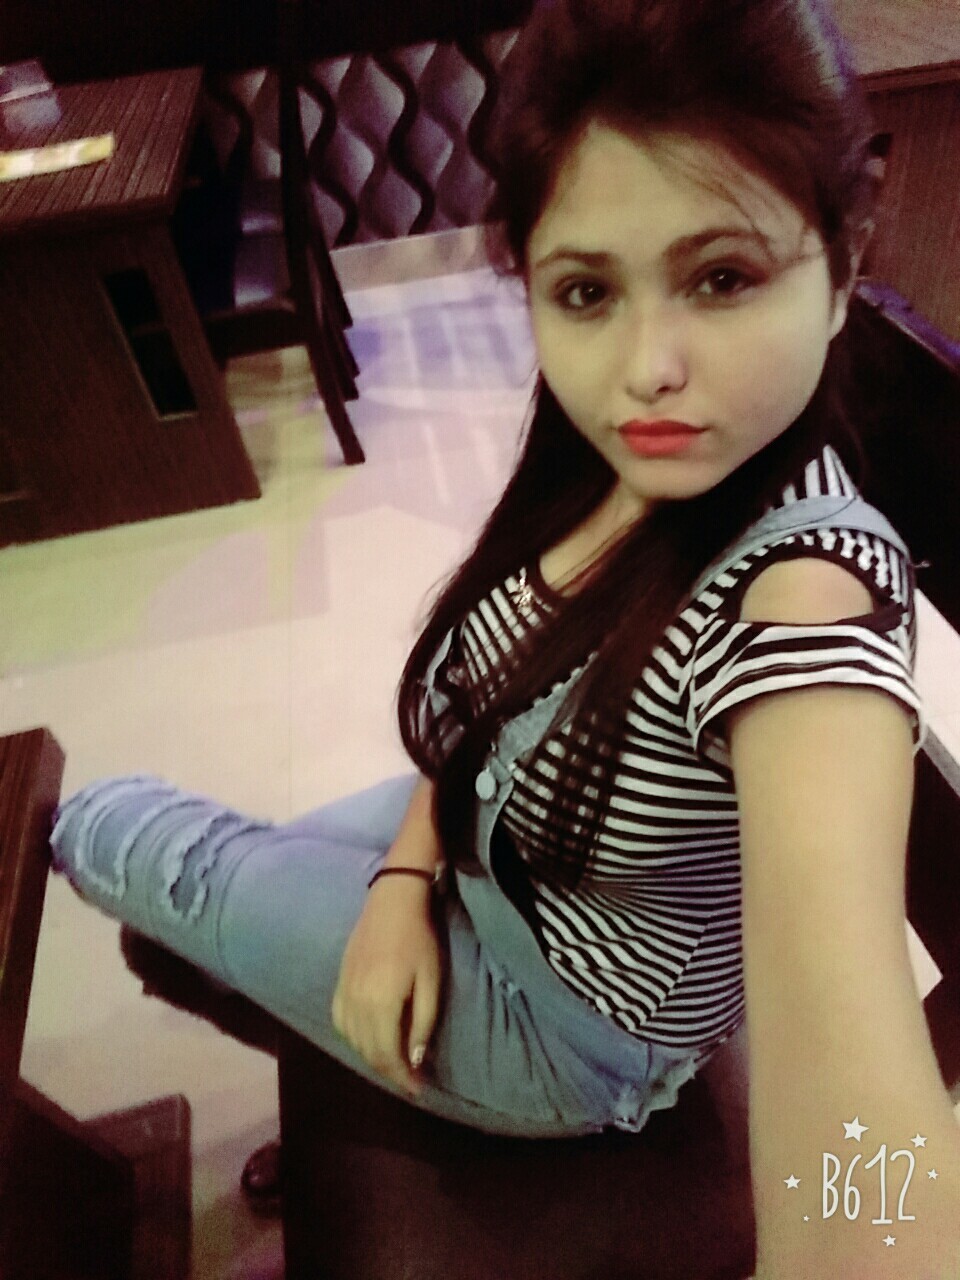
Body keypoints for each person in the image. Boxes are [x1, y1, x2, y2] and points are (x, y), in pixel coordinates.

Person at [50, 0, 960, 1274]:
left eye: (723, 277)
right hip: (495, 830)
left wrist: (859, 1226)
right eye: (586, 290)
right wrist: (403, 881)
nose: (648, 367)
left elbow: (863, 1156)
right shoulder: (610, 462)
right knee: (190, 913)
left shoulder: (803, 604)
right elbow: (488, 703)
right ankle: (340, 1041)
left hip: (567, 1023)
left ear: (845, 263)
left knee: (112, 827)